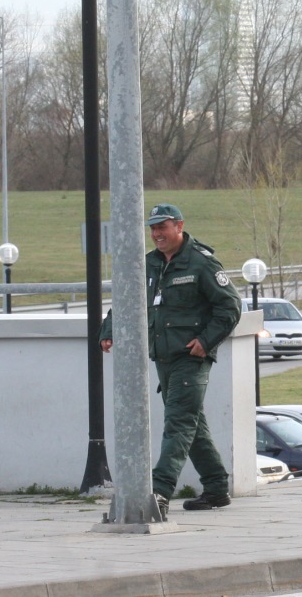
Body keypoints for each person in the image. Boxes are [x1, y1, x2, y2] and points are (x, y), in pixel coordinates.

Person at [100, 203, 242, 518]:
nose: (156, 234)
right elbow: (125, 300)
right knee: (192, 423)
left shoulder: (201, 263)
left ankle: (160, 491)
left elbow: (230, 307)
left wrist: (206, 342)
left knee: (178, 423)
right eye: (152, 228)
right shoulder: (147, 264)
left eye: (162, 227)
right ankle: (217, 488)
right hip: (162, 357)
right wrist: (107, 331)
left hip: (190, 359)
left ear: (179, 226)